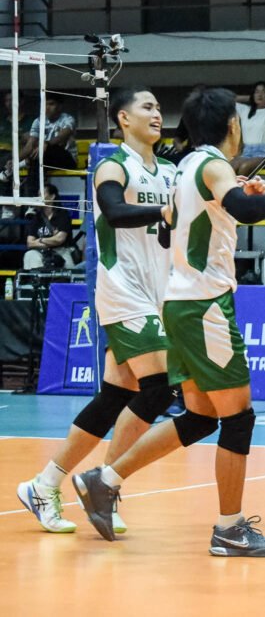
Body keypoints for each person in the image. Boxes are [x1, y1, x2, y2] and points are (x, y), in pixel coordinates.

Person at [74, 87, 265, 557]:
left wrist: (239, 192)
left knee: (200, 416)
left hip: (180, 302)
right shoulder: (213, 164)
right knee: (239, 418)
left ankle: (105, 478)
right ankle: (229, 529)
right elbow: (248, 210)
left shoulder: (189, 167)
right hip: (205, 305)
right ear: (232, 125)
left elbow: (221, 205)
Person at [17, 86, 179, 535]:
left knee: (115, 397)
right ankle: (103, 484)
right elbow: (111, 210)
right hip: (123, 290)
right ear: (123, 118)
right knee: (161, 387)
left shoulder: (169, 171)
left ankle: (46, 483)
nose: (157, 113)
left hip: (159, 293)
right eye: (147, 106)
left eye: (159, 107)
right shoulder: (113, 164)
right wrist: (163, 213)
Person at [22, 183, 75, 270]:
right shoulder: (37, 217)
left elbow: (59, 240)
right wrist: (50, 241)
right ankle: (37, 281)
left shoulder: (62, 215)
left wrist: (41, 240)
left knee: (69, 270)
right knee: (30, 255)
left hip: (60, 251)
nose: (40, 197)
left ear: (52, 197)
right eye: (39, 194)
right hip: (41, 251)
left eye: (42, 194)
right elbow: (30, 243)